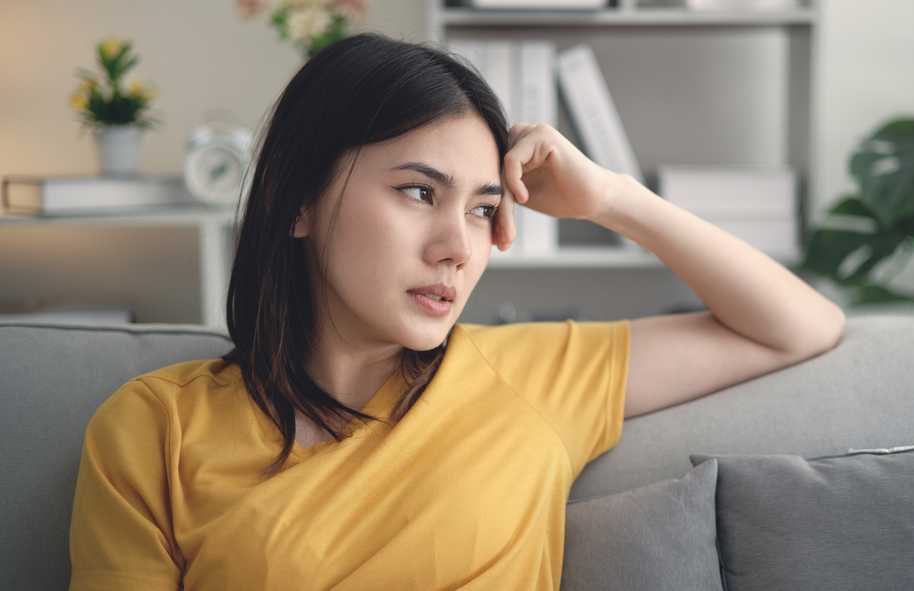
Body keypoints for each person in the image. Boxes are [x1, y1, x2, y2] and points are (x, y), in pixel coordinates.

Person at [68, 31, 845, 591]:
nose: (457, 247)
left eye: (482, 209)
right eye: (418, 192)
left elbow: (800, 325)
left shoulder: (535, 377)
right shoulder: (151, 429)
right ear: (299, 201)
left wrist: (610, 197)